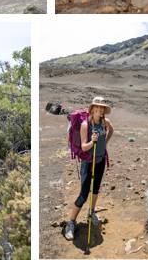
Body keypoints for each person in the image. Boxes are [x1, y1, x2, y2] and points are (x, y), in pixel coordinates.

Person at [64, 96, 113, 241]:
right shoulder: (86, 125)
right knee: (84, 194)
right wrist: (93, 141)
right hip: (88, 162)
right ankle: (71, 222)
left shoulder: (105, 122)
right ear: (92, 109)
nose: (99, 110)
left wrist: (104, 143)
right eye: (96, 108)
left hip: (100, 160)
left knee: (96, 189)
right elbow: (84, 147)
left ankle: (91, 213)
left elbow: (112, 131)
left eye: (101, 108)